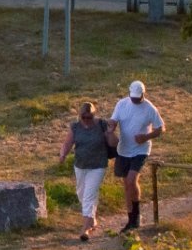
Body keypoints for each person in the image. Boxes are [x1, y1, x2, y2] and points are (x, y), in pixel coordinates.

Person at [109, 80, 165, 233]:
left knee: (132, 180)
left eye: (138, 98)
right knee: (126, 184)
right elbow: (114, 120)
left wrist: (146, 137)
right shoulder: (121, 104)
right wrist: (112, 126)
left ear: (143, 95)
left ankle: (137, 215)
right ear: (129, 94)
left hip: (141, 150)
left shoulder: (149, 108)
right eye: (133, 98)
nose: (135, 100)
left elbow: (161, 128)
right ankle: (131, 218)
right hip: (124, 149)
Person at [61, 100, 116, 241]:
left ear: (94, 115)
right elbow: (68, 143)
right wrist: (62, 155)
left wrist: (110, 133)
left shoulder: (102, 125)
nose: (86, 120)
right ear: (80, 116)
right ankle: (92, 220)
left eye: (89, 117)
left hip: (98, 166)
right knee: (81, 193)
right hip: (80, 165)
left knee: (88, 196)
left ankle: (85, 229)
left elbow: (114, 143)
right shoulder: (75, 127)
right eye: (83, 117)